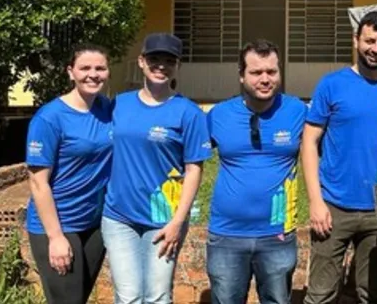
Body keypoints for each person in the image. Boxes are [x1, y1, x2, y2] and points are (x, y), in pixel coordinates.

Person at [301, 11, 377, 304]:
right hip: (333, 207)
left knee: (370, 293)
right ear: (356, 40)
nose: (376, 49)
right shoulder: (331, 85)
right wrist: (315, 201)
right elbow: (309, 142)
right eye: (370, 40)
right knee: (321, 293)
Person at [101, 33, 212, 304]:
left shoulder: (189, 112)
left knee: (158, 296)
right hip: (118, 216)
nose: (161, 66)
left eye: (168, 60)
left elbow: (194, 169)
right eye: (154, 59)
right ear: (141, 62)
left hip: (165, 218)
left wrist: (178, 221)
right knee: (127, 296)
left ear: (177, 65)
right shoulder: (118, 104)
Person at [205, 40, 307, 304]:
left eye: (271, 72)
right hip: (227, 234)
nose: (265, 79)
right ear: (241, 75)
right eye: (256, 72)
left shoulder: (297, 111)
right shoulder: (219, 115)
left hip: (277, 234)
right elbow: (189, 162)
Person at [25, 44, 114, 304]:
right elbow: (38, 182)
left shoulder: (107, 109)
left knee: (78, 298)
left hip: (94, 224)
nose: (93, 74)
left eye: (100, 68)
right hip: (58, 224)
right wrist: (55, 237)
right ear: (70, 72)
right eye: (85, 68)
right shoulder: (50, 117)